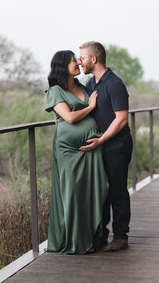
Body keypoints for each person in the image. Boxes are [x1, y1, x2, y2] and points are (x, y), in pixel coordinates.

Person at [45, 50, 108, 254]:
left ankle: (90, 237)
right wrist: (89, 107)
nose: (79, 64)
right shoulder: (55, 91)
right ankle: (75, 241)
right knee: (71, 192)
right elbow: (70, 118)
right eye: (74, 61)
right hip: (68, 150)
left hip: (90, 148)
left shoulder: (82, 86)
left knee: (89, 191)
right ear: (63, 65)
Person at [79, 41, 133, 251]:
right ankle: (100, 237)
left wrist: (101, 139)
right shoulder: (91, 84)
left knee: (117, 190)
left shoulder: (115, 84)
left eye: (82, 57)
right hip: (100, 147)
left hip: (117, 145)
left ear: (94, 59)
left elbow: (121, 119)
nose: (80, 61)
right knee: (100, 192)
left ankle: (121, 237)